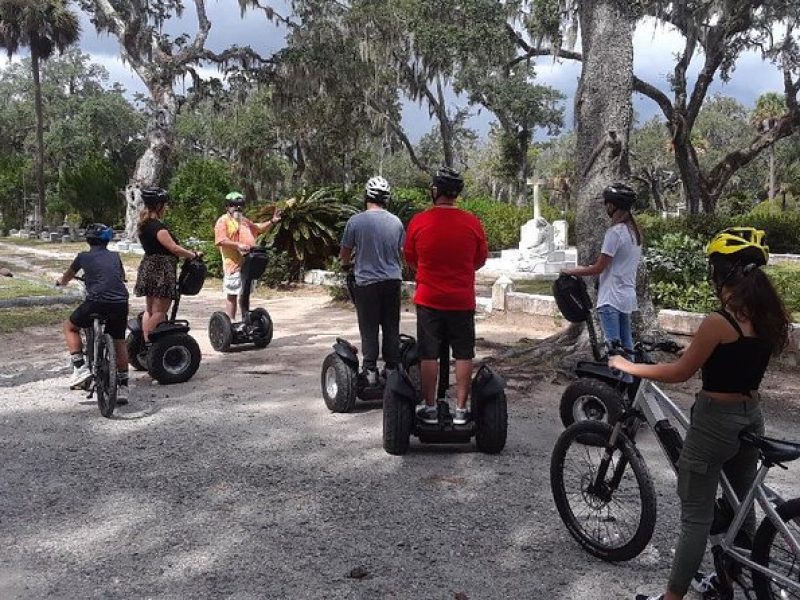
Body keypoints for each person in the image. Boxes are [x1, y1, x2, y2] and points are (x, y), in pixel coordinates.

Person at [607, 228, 790, 600]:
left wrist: (630, 365)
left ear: (722, 273)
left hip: (715, 421)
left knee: (695, 516)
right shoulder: (766, 317)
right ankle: (737, 572)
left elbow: (678, 373)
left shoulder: (720, 322)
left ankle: (672, 597)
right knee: (741, 502)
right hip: (750, 415)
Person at [403, 167, 488, 425]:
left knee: (428, 354)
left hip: (429, 299)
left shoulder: (420, 221)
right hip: (461, 299)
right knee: (463, 353)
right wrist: (459, 271)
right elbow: (480, 259)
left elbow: (410, 258)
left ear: (435, 191)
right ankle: (461, 410)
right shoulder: (472, 222)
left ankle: (429, 407)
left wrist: (432, 270)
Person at [562, 183, 642, 355]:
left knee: (614, 349)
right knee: (627, 345)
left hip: (610, 298)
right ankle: (629, 379)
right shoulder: (634, 233)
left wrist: (570, 271)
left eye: (607, 204)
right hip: (626, 296)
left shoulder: (615, 232)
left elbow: (599, 267)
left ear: (612, 206)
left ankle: (620, 379)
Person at [339, 176, 405, 384]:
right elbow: (402, 252)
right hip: (392, 281)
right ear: (386, 199)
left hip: (366, 283)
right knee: (391, 325)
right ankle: (392, 368)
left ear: (366, 196)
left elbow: (345, 253)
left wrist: (345, 264)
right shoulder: (396, 222)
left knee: (369, 327)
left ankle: (370, 369)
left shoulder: (356, 221)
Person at [57, 224, 131, 404]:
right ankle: (123, 386)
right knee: (119, 341)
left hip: (96, 301)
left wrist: (61, 281)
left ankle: (80, 367)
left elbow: (67, 276)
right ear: (107, 240)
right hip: (120, 302)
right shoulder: (115, 256)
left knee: (70, 327)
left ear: (88, 240)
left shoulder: (83, 257)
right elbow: (121, 276)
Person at [134, 187, 200, 343]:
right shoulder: (158, 227)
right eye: (165, 205)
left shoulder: (144, 224)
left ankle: (145, 344)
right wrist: (193, 254)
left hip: (148, 267)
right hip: (162, 270)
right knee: (160, 312)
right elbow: (174, 248)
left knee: (149, 310)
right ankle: (150, 344)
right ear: (158, 206)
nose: (166, 208)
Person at [214, 192, 282, 320]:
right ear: (227, 207)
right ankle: (231, 323)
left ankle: (246, 320)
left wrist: (273, 221)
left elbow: (258, 228)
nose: (237, 208)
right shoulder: (223, 221)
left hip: (249, 263)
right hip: (233, 265)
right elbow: (221, 240)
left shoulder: (244, 221)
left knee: (245, 294)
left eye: (240, 205)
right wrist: (238, 245)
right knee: (232, 294)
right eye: (234, 205)